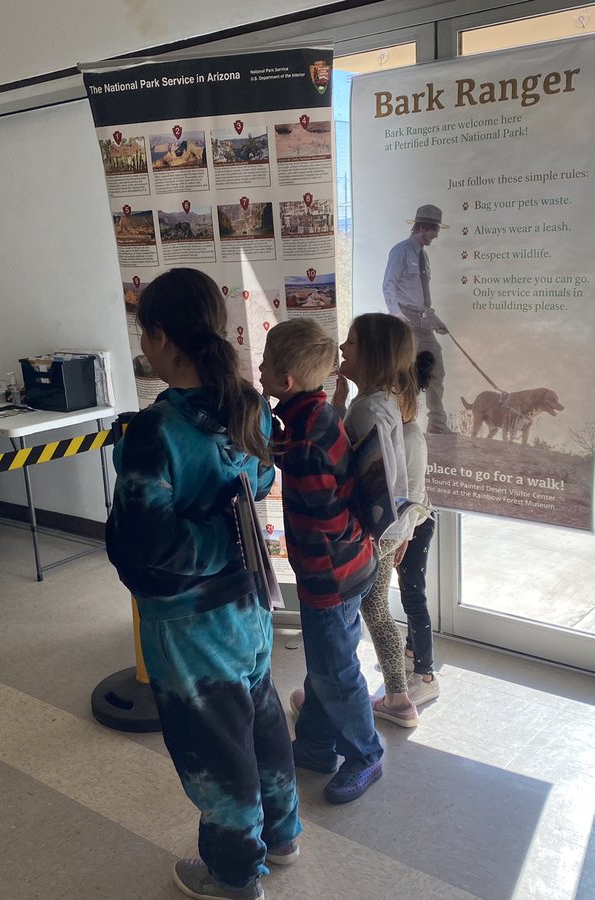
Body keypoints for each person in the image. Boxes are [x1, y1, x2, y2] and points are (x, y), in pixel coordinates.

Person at [105, 268, 300, 900]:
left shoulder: (156, 432)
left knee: (214, 748)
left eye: (145, 334)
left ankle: (234, 875)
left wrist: (212, 529)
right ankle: (283, 832)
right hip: (250, 602)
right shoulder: (245, 403)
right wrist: (234, 528)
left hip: (191, 622)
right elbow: (264, 481)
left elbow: (147, 547)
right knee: (259, 716)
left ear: (160, 336)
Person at [258, 318, 383, 804]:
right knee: (325, 663)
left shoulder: (308, 434)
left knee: (336, 671)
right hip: (350, 566)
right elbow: (297, 452)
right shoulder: (314, 416)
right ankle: (313, 745)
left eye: (265, 364)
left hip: (328, 576)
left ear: (284, 381)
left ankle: (365, 754)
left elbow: (321, 508)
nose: (261, 370)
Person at [332, 313, 419, 728]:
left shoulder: (367, 410)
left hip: (368, 535)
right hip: (387, 532)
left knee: (359, 612)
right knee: (374, 608)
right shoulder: (383, 403)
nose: (342, 348)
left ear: (371, 354)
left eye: (350, 342)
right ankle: (397, 697)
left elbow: (347, 473)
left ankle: (374, 700)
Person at [382, 204, 454, 434]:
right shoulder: (400, 251)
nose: (436, 235)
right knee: (407, 374)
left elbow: (422, 299)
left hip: (424, 322)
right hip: (406, 322)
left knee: (437, 370)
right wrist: (396, 314)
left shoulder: (424, 257)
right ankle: (403, 422)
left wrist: (436, 321)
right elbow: (389, 285)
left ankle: (437, 425)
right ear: (423, 227)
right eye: (434, 230)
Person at [397, 351, 440, 706]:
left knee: (413, 595)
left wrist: (406, 535)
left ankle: (426, 675)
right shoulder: (401, 430)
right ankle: (411, 655)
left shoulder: (411, 436)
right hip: (412, 524)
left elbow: (412, 495)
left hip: (418, 524)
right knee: (408, 589)